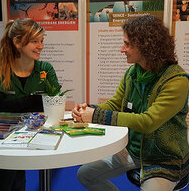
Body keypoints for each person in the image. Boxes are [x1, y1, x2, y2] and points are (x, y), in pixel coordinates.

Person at [72, 15, 189, 191]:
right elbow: (115, 104)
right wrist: (88, 109)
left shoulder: (177, 81)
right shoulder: (132, 74)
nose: (122, 49)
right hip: (133, 151)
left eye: (127, 44)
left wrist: (96, 115)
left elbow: (148, 122)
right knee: (85, 174)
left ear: (147, 46)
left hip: (165, 160)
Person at [0, 18, 61, 191]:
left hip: (39, 132)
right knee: (10, 172)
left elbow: (54, 102)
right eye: (34, 41)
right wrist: (35, 100)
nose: (41, 46)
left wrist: (21, 104)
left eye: (42, 41)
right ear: (17, 42)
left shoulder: (45, 69)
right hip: (7, 136)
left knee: (15, 174)